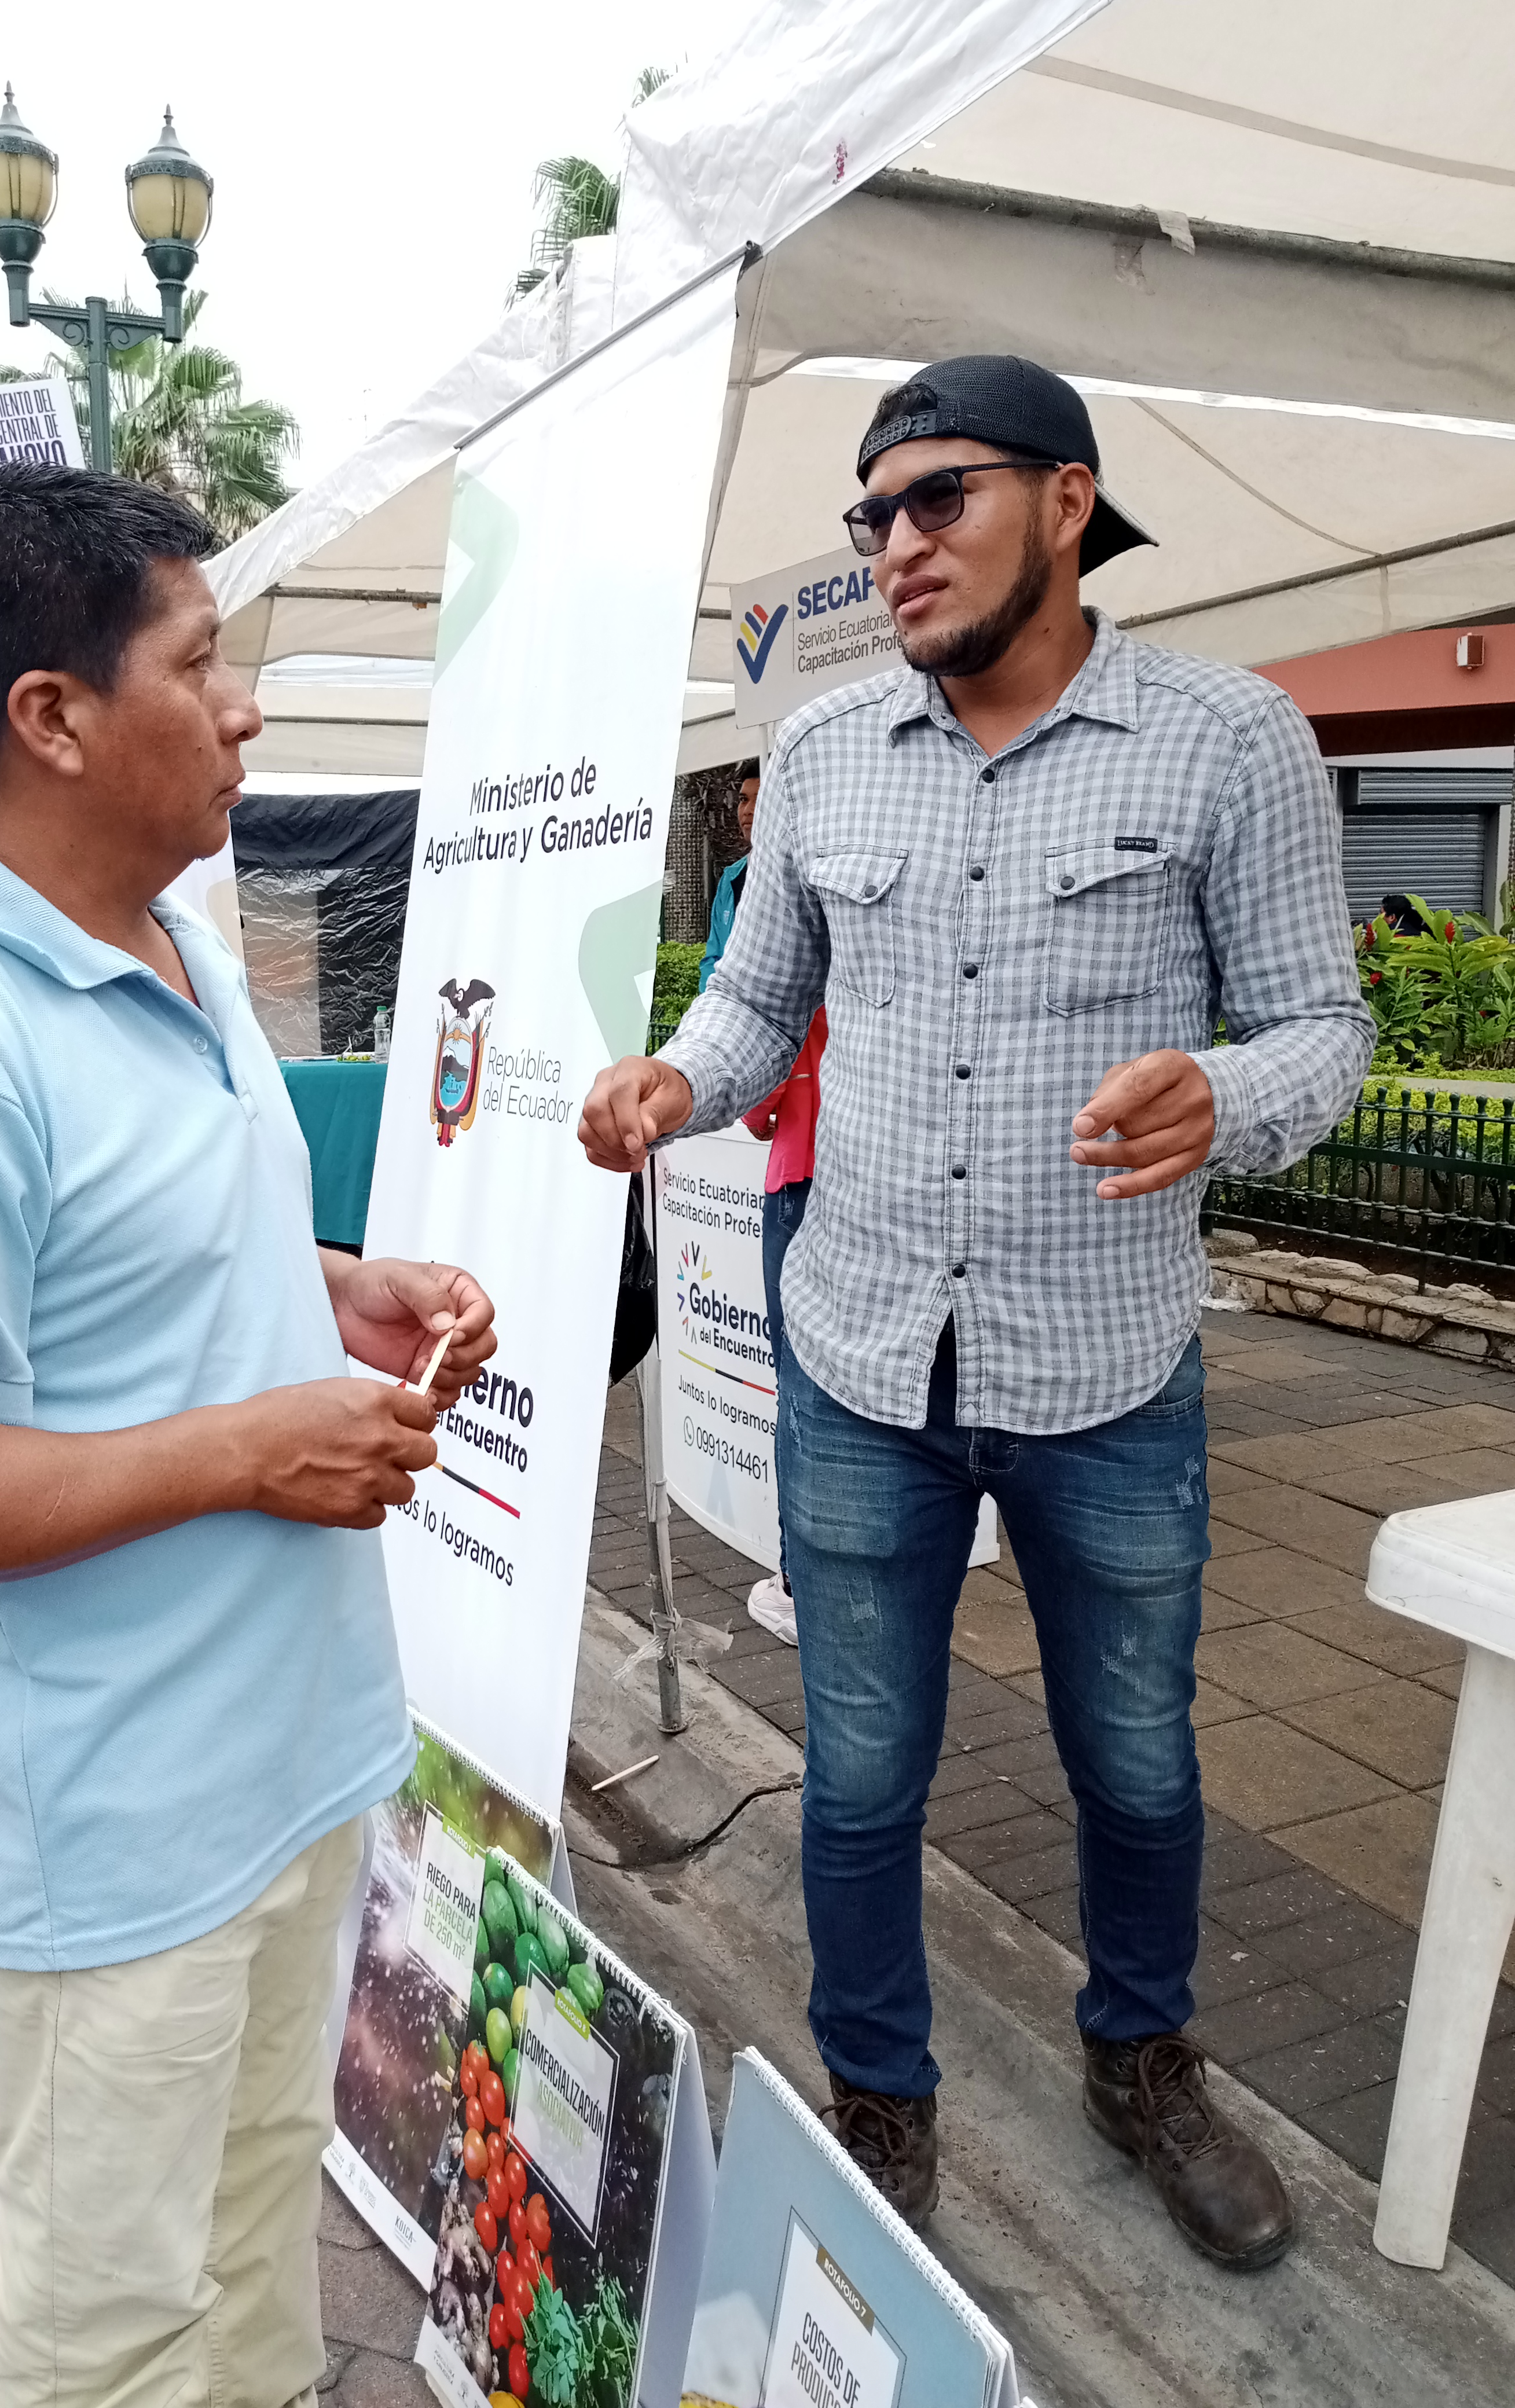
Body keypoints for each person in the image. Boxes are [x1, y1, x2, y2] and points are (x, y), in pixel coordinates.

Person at [579, 355, 1373, 2270]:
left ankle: (1143, 2062)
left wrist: (1226, 1096)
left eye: (940, 498)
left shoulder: (1229, 740)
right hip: (861, 1356)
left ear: (1068, 503)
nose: (897, 545)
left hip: (1108, 1365)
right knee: (859, 1775)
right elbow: (759, 1000)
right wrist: (679, 1078)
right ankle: (881, 2093)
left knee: (1140, 1763)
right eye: (874, 515)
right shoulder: (824, 756)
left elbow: (1324, 1028)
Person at [0, 461, 497, 2408]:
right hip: (116, 1836)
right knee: (113, 2342)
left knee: (245, 2256)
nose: (246, 706)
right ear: (53, 716)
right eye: (203, 661)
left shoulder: (167, 936)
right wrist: (248, 1452)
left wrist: (336, 1282)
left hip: (290, 1757)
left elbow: (133, 1253)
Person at [738, 1004, 827, 1643]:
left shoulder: (803, 943)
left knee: (799, 1389)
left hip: (804, 1163)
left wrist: (758, 1109)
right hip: (887, 1175)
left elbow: (769, 1021)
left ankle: (799, 1587)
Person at [697, 766, 761, 991]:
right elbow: (714, 957)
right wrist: (707, 1001)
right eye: (743, 800)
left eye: (759, 799)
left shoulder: (798, 877)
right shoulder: (731, 878)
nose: (748, 811)